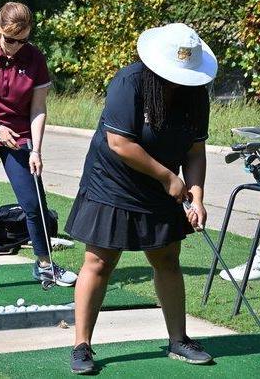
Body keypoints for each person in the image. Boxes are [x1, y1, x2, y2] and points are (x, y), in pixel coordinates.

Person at [65, 23, 218, 374]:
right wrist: (168, 177)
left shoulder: (196, 94)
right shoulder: (129, 82)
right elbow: (119, 143)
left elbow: (195, 151)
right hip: (112, 181)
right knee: (100, 262)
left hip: (161, 186)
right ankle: (81, 346)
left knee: (167, 258)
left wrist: (197, 194)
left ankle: (178, 340)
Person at [0, 2, 78, 293]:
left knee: (34, 202)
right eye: (9, 39)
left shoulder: (35, 58)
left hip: (20, 137)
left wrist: (36, 149)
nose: (14, 47)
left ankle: (44, 265)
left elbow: (38, 108)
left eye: (21, 40)